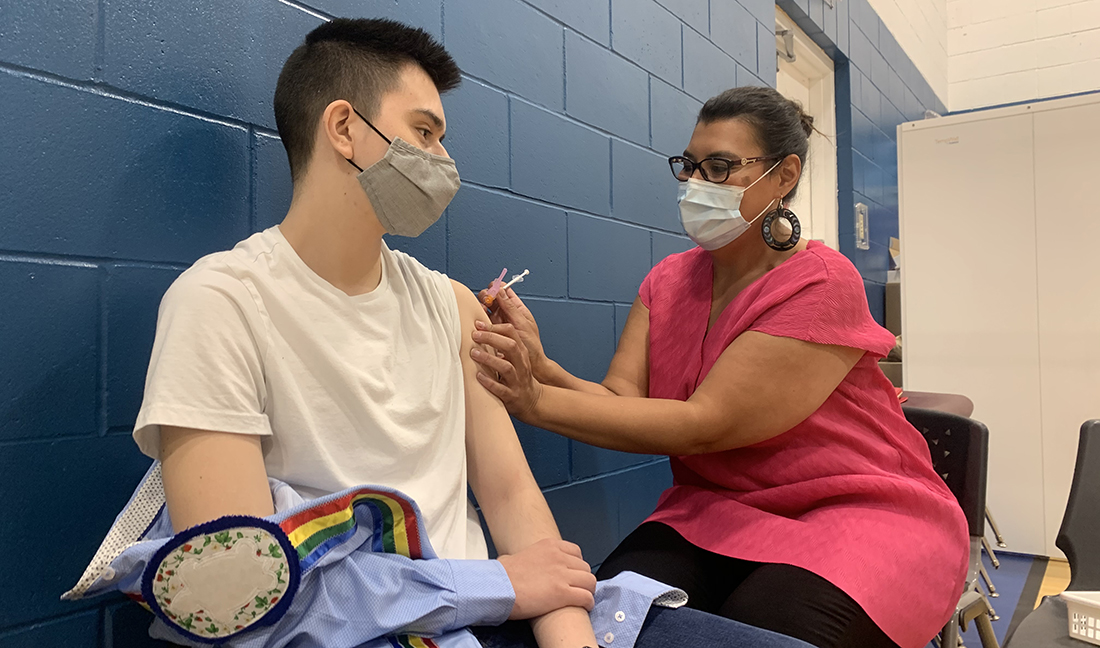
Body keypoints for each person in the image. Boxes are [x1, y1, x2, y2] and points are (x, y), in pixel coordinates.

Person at [73, 17, 815, 648]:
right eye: (424, 132)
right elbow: (234, 591)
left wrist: (568, 636)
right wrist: (488, 586)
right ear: (344, 129)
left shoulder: (449, 304)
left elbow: (516, 506)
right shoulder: (220, 301)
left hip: (489, 612)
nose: (444, 162)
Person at [470, 86, 970, 648]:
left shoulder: (821, 282)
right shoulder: (666, 283)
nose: (696, 184)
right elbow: (621, 403)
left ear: (784, 177)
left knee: (763, 629)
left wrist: (534, 401)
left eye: (720, 168)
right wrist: (541, 368)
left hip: (857, 511)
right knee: (614, 621)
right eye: (690, 166)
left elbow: (707, 423)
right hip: (714, 510)